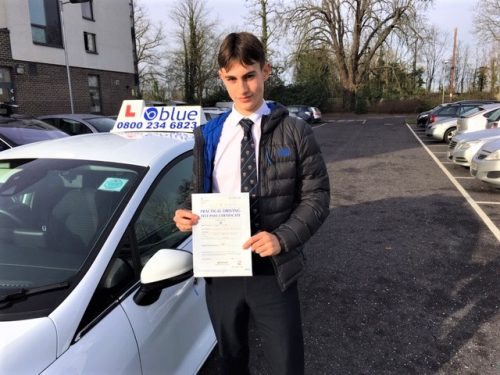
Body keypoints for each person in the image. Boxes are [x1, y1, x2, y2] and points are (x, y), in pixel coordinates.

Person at [173, 31, 330, 375]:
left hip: (273, 271)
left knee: (286, 364)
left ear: (266, 71)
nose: (242, 88)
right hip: (222, 269)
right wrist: (185, 211)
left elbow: (317, 197)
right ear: (222, 78)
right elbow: (201, 189)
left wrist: (282, 238)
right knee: (230, 361)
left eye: (249, 76)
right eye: (232, 78)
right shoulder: (209, 134)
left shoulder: (295, 132)